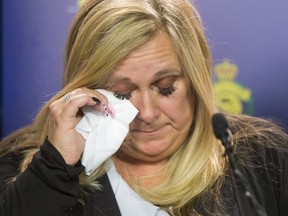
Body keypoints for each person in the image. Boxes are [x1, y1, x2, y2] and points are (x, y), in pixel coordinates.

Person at [0, 0, 287, 215]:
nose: (147, 114)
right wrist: (53, 169)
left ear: (195, 79)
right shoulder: (19, 169)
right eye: (121, 94)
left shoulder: (267, 157)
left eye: (166, 88)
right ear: (84, 89)